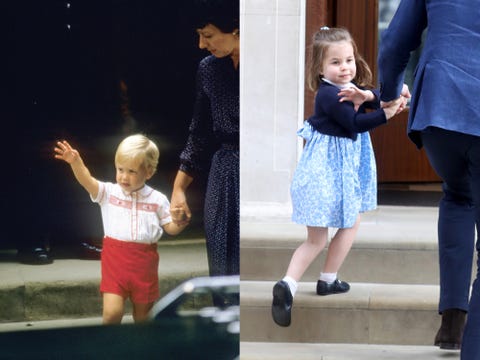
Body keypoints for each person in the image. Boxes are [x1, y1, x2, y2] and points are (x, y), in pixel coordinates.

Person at [271, 27, 404, 327]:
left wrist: (375, 95)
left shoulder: (348, 88)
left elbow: (376, 96)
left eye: (349, 60)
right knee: (320, 237)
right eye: (335, 62)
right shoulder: (329, 95)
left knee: (342, 224)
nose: (345, 67)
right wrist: (386, 114)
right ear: (319, 68)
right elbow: (355, 123)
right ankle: (292, 284)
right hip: (325, 174)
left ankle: (315, 280)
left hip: (334, 172)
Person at [377, 0, 480, 354]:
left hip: (441, 108)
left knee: (457, 194)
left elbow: (394, 43)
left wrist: (388, 95)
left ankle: (453, 320)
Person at [54, 134, 188, 324]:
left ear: (148, 172)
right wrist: (75, 162)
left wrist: (179, 220)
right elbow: (87, 180)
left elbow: (171, 228)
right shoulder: (109, 193)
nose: (124, 176)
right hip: (115, 261)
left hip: (144, 264)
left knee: (143, 318)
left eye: (132, 171)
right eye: (120, 169)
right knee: (111, 314)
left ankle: (141, 351)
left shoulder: (157, 199)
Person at [170, 0, 240, 305]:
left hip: (262, 171)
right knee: (220, 254)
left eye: (208, 35)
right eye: (200, 35)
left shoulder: (270, 63)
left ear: (237, 30)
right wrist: (179, 187)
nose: (202, 44)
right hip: (224, 170)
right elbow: (199, 131)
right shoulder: (209, 69)